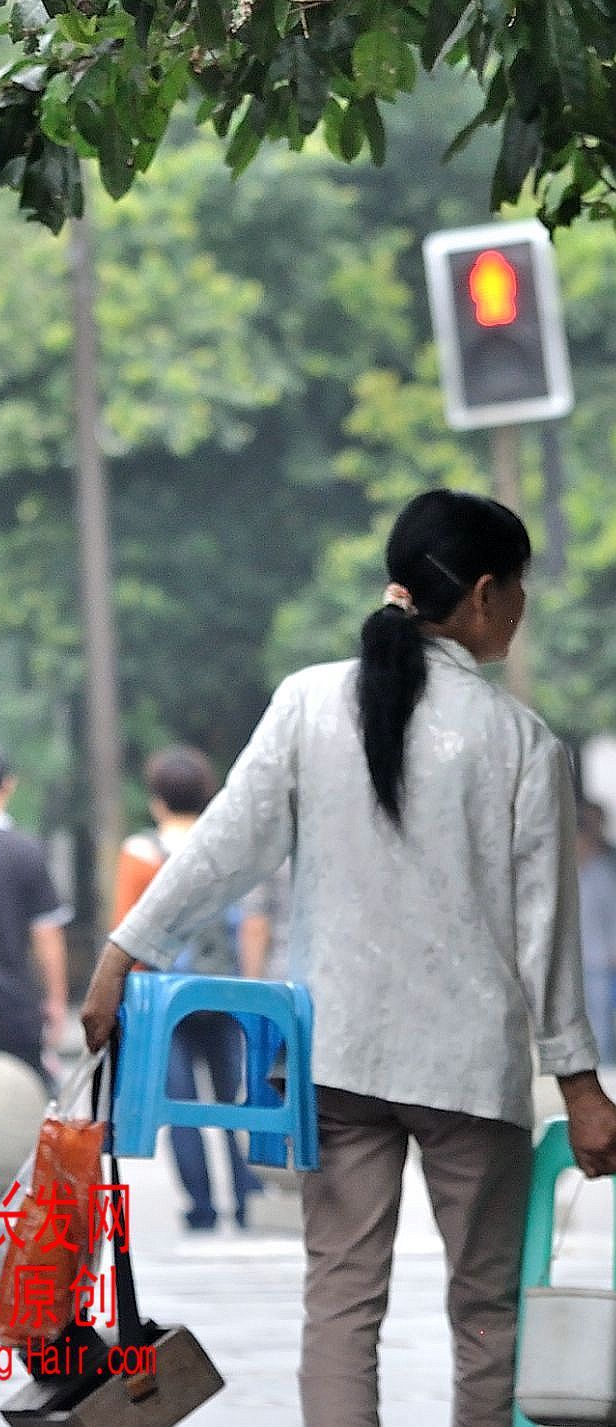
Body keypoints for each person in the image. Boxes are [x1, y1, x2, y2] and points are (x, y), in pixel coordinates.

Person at [80, 489, 616, 1427]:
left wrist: (127, 949)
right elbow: (546, 936)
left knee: (339, 1301)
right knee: (485, 1310)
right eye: (519, 587)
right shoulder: (522, 744)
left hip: (334, 1059)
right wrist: (579, 1084)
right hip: (467, 1072)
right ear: (486, 595)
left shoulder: (306, 703)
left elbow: (221, 847)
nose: (520, 607)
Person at [111, 745, 263, 1231]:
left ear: (157, 799)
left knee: (179, 1104)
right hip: (224, 993)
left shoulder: (140, 854)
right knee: (232, 1100)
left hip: (164, 999)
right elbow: (250, 921)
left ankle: (199, 1206)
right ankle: (244, 1199)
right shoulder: (228, 848)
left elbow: (125, 930)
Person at [0, 740, 71, 1085]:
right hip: (14, 1009)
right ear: (8, 784)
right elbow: (48, 935)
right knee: (22, 1108)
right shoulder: (27, 851)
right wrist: (56, 1001)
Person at [578, 802, 616, 1061]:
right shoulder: (574, 875)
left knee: (601, 1025)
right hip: (579, 963)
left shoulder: (602, 873)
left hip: (601, 962)